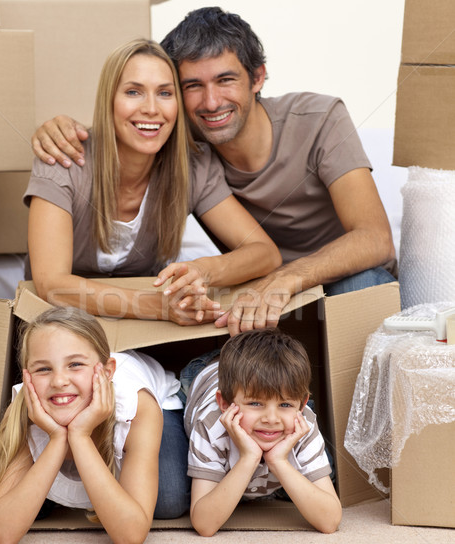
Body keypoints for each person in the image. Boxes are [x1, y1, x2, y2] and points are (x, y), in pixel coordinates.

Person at [32, 8, 397, 335]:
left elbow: (375, 239)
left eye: (225, 80)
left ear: (258, 78)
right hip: (246, 298)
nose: (210, 102)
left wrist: (274, 279)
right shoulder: (172, 142)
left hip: (317, 283)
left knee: (365, 284)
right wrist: (55, 127)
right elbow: (50, 281)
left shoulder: (317, 121)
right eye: (192, 86)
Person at [24, 38, 280, 328]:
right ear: (109, 100)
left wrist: (203, 270)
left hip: (143, 331)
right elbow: (51, 284)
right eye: (133, 92)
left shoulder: (193, 167)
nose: (151, 108)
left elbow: (265, 253)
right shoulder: (64, 157)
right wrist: (159, 307)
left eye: (165, 93)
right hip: (62, 326)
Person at [0, 306, 183, 544]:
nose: (59, 381)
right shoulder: (25, 408)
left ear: (107, 372)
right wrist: (57, 439)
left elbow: (130, 537)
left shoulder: (136, 407)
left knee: (168, 500)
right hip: (74, 413)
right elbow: (1, 535)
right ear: (27, 378)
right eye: (43, 369)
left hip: (160, 399)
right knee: (26, 507)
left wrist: (81, 436)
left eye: (75, 365)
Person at [183, 328, 342, 536]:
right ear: (224, 404)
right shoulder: (211, 426)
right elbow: (204, 524)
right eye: (255, 403)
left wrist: (278, 461)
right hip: (203, 374)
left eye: (285, 405)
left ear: (302, 405)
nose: (271, 419)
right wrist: (249, 457)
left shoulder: (303, 425)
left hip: (264, 387)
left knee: (329, 473)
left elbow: (330, 521)